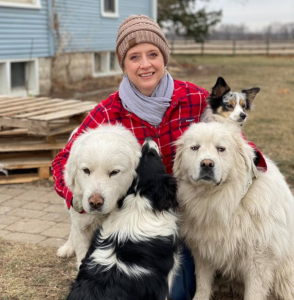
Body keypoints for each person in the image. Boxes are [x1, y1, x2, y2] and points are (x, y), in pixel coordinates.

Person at [52, 14, 266, 300]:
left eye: (153, 54)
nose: (145, 64)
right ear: (123, 64)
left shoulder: (194, 97)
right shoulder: (107, 112)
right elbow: (62, 162)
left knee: (177, 293)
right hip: (141, 219)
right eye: (134, 56)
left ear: (164, 58)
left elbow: (227, 136)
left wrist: (253, 162)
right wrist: (79, 197)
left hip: (189, 212)